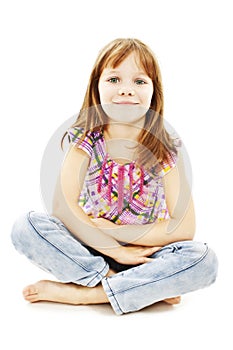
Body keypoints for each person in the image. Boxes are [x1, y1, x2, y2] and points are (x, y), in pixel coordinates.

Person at [11, 38, 218, 315]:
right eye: (114, 79)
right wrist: (111, 248)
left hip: (147, 255)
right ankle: (126, 285)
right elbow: (63, 208)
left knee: (204, 260)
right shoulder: (86, 140)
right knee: (26, 226)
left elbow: (183, 228)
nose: (126, 90)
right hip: (91, 248)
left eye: (139, 82)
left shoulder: (165, 148)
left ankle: (87, 295)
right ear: (97, 88)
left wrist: (116, 233)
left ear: (154, 92)